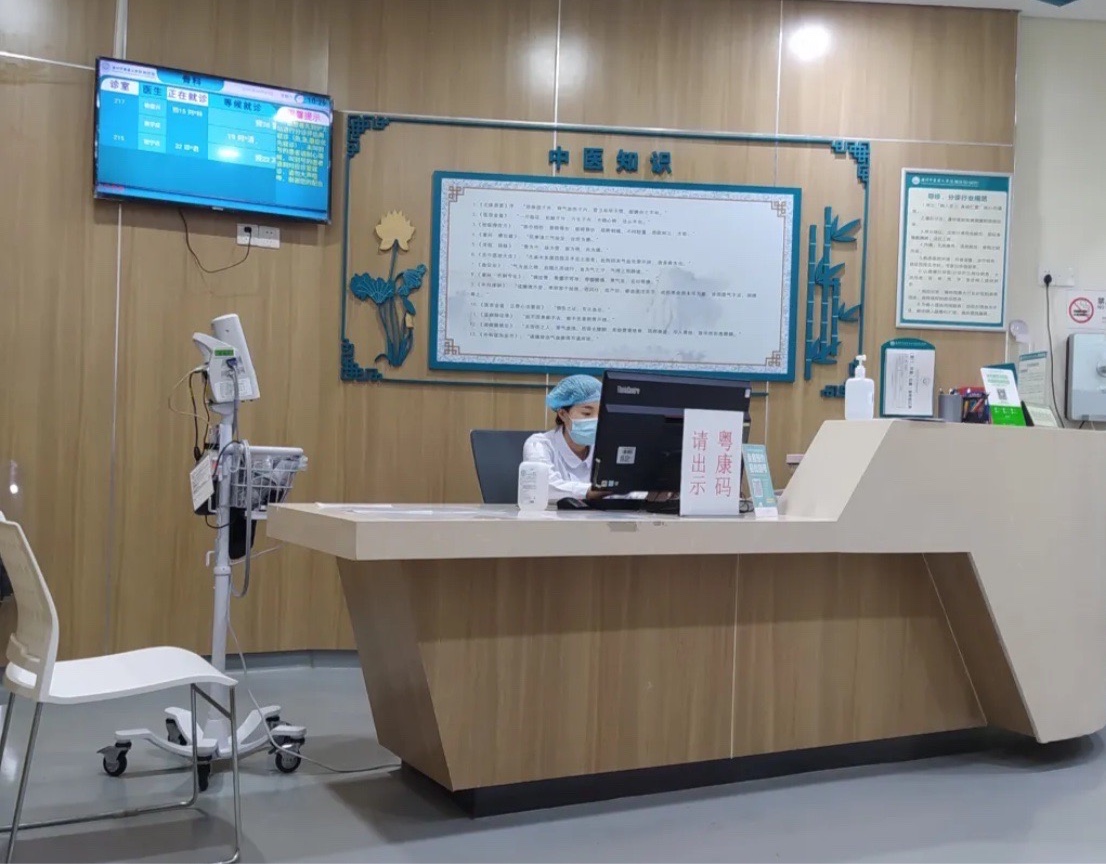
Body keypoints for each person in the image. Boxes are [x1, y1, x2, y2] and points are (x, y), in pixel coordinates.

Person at [523, 375, 606, 503]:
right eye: (587, 413)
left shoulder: (605, 446)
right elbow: (542, 487)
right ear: (562, 414)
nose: (595, 420)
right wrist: (589, 491)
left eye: (600, 414)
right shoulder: (539, 445)